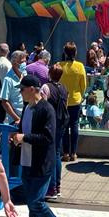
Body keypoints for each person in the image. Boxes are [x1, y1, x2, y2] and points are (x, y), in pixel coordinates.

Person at [11, 75, 69, 217]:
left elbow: (48, 138)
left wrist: (24, 138)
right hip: (27, 161)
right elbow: (26, 132)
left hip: (42, 164)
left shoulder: (46, 109)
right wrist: (18, 140)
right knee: (32, 206)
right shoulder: (26, 108)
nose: (20, 93)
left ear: (31, 89)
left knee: (36, 202)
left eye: (22, 89)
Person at [57, 42, 87, 162]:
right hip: (75, 99)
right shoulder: (79, 66)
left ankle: (65, 153)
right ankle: (73, 153)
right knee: (74, 125)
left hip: (62, 100)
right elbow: (84, 85)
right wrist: (80, 94)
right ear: (75, 53)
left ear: (64, 52)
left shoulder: (59, 65)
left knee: (64, 126)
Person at [44, 65, 68, 197]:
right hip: (61, 122)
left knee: (50, 154)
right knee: (57, 153)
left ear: (50, 73)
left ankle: (51, 188)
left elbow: (41, 105)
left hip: (50, 123)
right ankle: (57, 186)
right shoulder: (64, 88)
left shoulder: (46, 87)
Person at [0, 50, 27, 126]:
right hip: (15, 120)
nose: (24, 64)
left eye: (25, 61)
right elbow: (4, 102)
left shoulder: (24, 74)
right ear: (14, 63)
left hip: (25, 116)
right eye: (22, 62)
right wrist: (17, 118)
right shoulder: (8, 79)